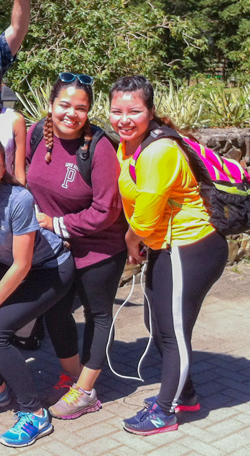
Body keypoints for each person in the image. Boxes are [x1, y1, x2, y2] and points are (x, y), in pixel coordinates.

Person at [109, 76, 228, 436]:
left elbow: (144, 217)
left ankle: (166, 411)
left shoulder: (159, 151)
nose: (124, 119)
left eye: (134, 111)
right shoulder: (129, 145)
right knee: (157, 326)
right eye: (116, 111)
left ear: (150, 111)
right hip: (166, 246)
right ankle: (185, 395)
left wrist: (132, 240)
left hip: (190, 247)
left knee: (173, 332)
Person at [0, 134, 74, 448]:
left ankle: (34, 412)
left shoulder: (18, 199)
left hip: (49, 269)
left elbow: (23, 265)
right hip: (6, 265)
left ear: (5, 168)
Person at [24, 74, 127, 420]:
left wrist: (57, 223)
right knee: (54, 309)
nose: (71, 113)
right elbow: (25, 179)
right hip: (56, 249)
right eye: (64, 105)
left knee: (97, 315)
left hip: (98, 247)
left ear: (89, 111)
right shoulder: (37, 134)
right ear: (51, 105)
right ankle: (71, 374)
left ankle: (85, 391)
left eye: (81, 108)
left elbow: (107, 209)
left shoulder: (99, 149)